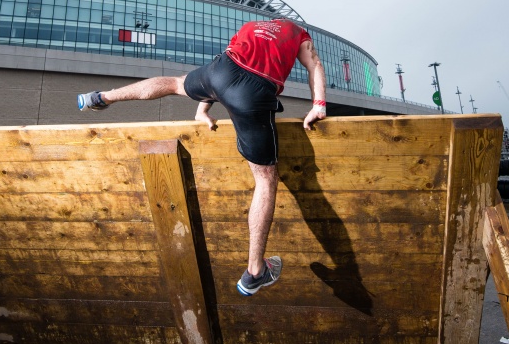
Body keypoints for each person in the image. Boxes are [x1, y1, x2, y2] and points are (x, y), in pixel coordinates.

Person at [77, 18, 326, 296]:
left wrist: (201, 110)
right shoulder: (298, 32)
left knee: (174, 83)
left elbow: (230, 73)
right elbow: (313, 64)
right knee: (266, 179)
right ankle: (255, 271)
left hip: (221, 70)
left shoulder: (252, 26)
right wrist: (318, 105)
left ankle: (102, 97)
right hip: (253, 91)